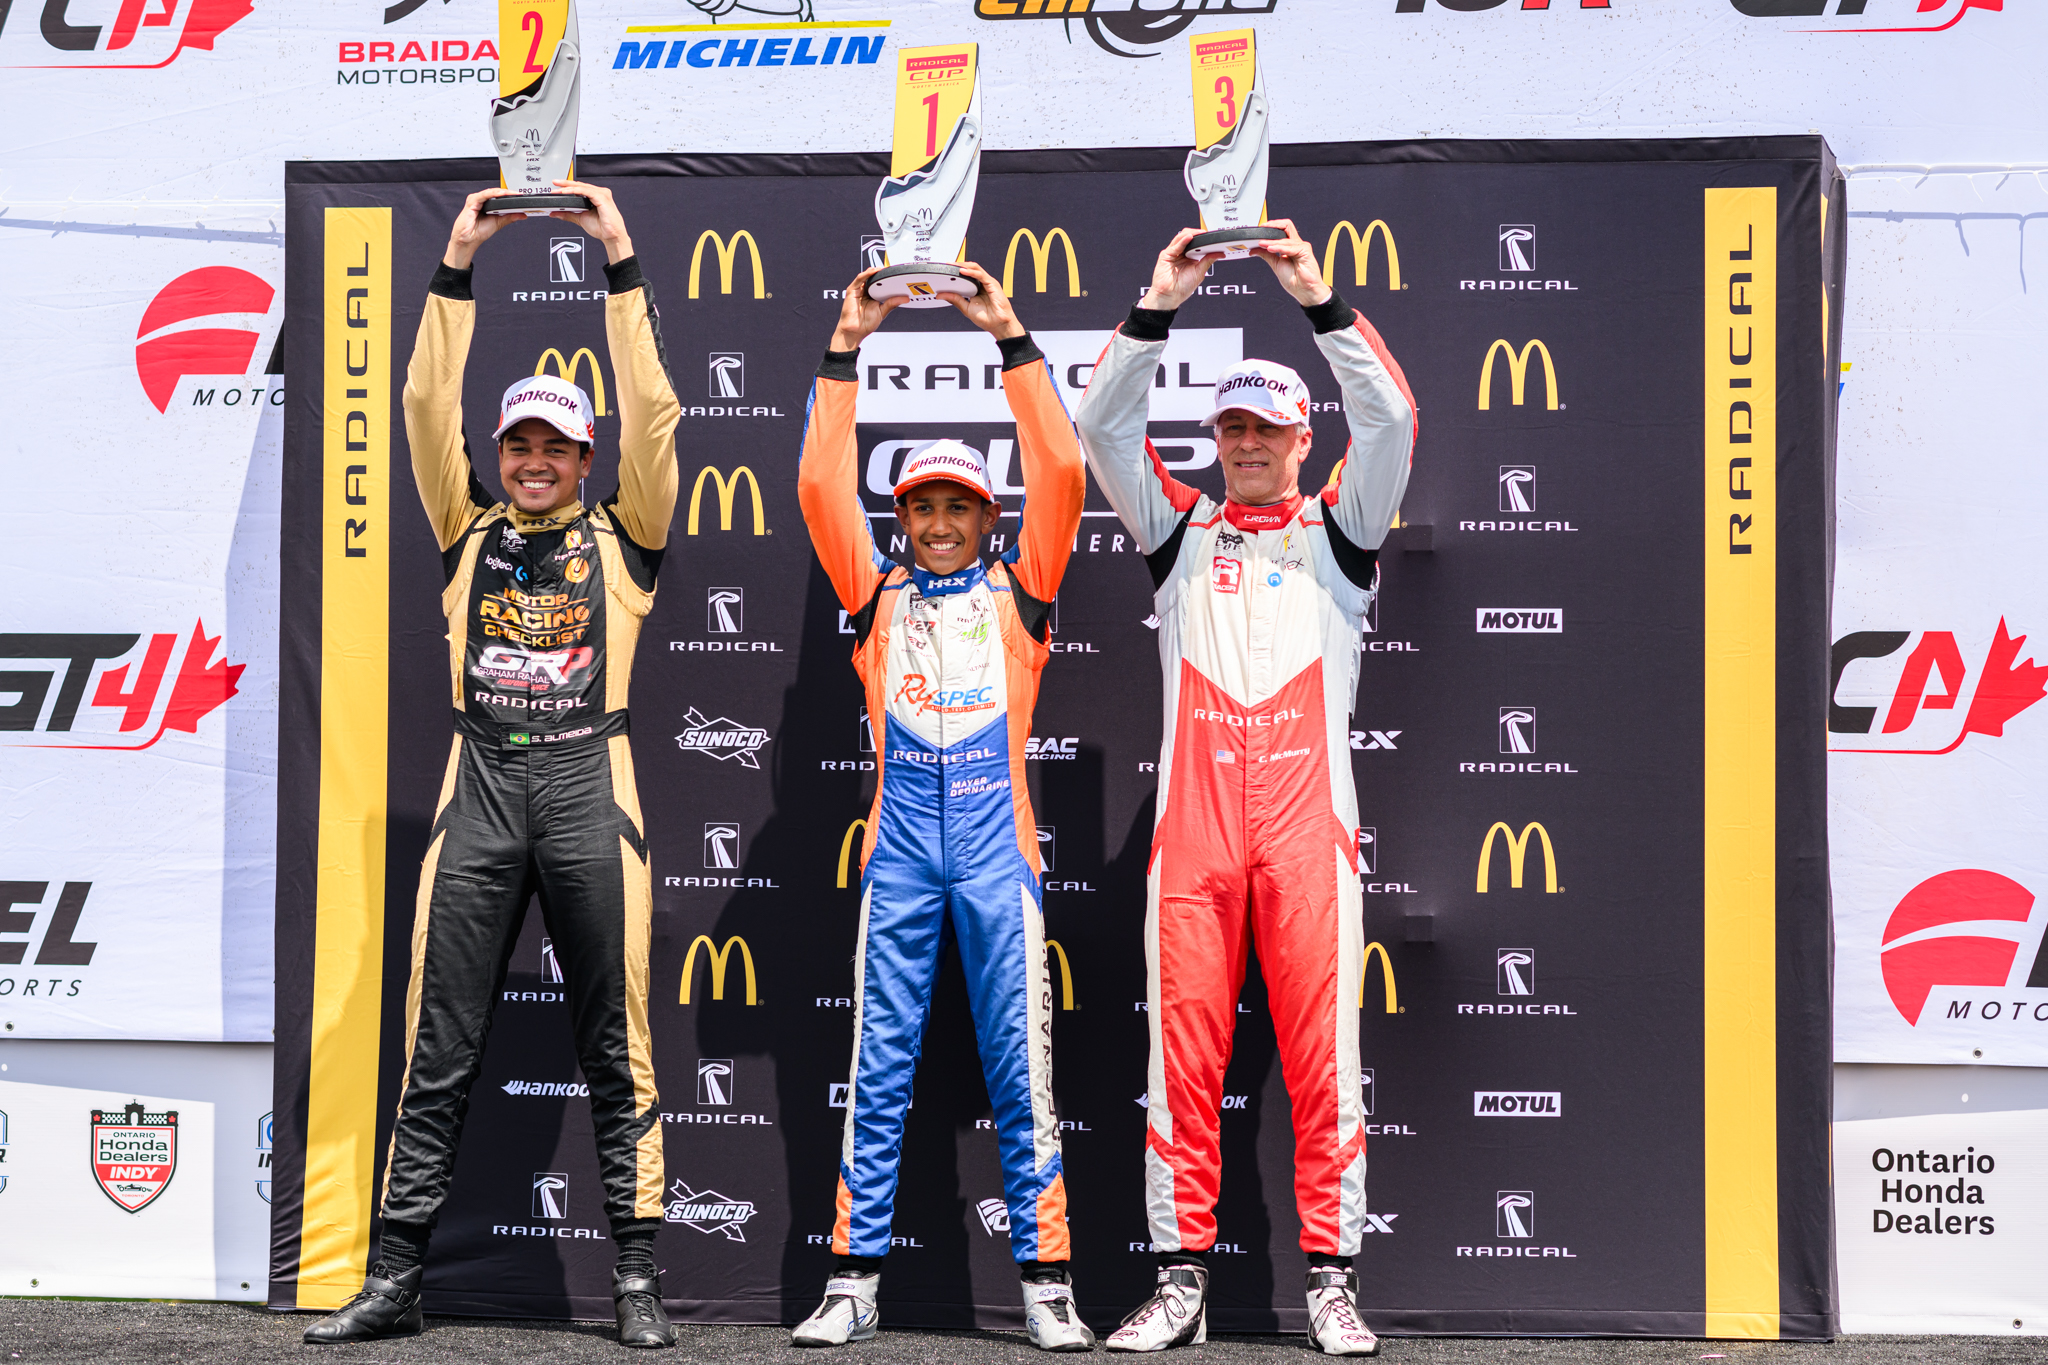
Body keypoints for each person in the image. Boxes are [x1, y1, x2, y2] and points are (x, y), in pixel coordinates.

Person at [303, 182, 683, 1349]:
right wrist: (457, 262)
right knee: (437, 1042)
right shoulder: (461, 523)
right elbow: (422, 397)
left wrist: (619, 261)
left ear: (581, 459)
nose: (530, 461)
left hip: (586, 785)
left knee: (617, 1040)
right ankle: (396, 1278)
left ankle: (633, 1281)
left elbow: (658, 418)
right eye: (515, 442)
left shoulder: (631, 531)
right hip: (480, 787)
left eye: (552, 446)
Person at [1074, 222, 1417, 1357]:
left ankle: (1331, 1281)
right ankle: (1179, 1281)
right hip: (1195, 840)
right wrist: (1155, 302)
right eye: (1229, 427)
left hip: (1308, 834)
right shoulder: (1176, 533)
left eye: (1265, 428)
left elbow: (1392, 421)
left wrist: (1318, 304)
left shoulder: (1341, 530)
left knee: (1327, 1058)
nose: (1246, 445)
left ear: (1298, 434)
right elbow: (1098, 426)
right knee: (1181, 1066)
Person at [790, 262, 1092, 1351]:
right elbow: (822, 486)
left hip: (995, 855)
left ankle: (1048, 1286)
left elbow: (1060, 462)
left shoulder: (1026, 592)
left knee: (1023, 1076)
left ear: (988, 515)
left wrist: (1006, 331)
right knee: (876, 1070)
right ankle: (852, 1280)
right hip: (902, 852)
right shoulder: (873, 596)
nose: (939, 523)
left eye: (959, 505)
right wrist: (845, 342)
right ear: (903, 517)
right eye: (921, 506)